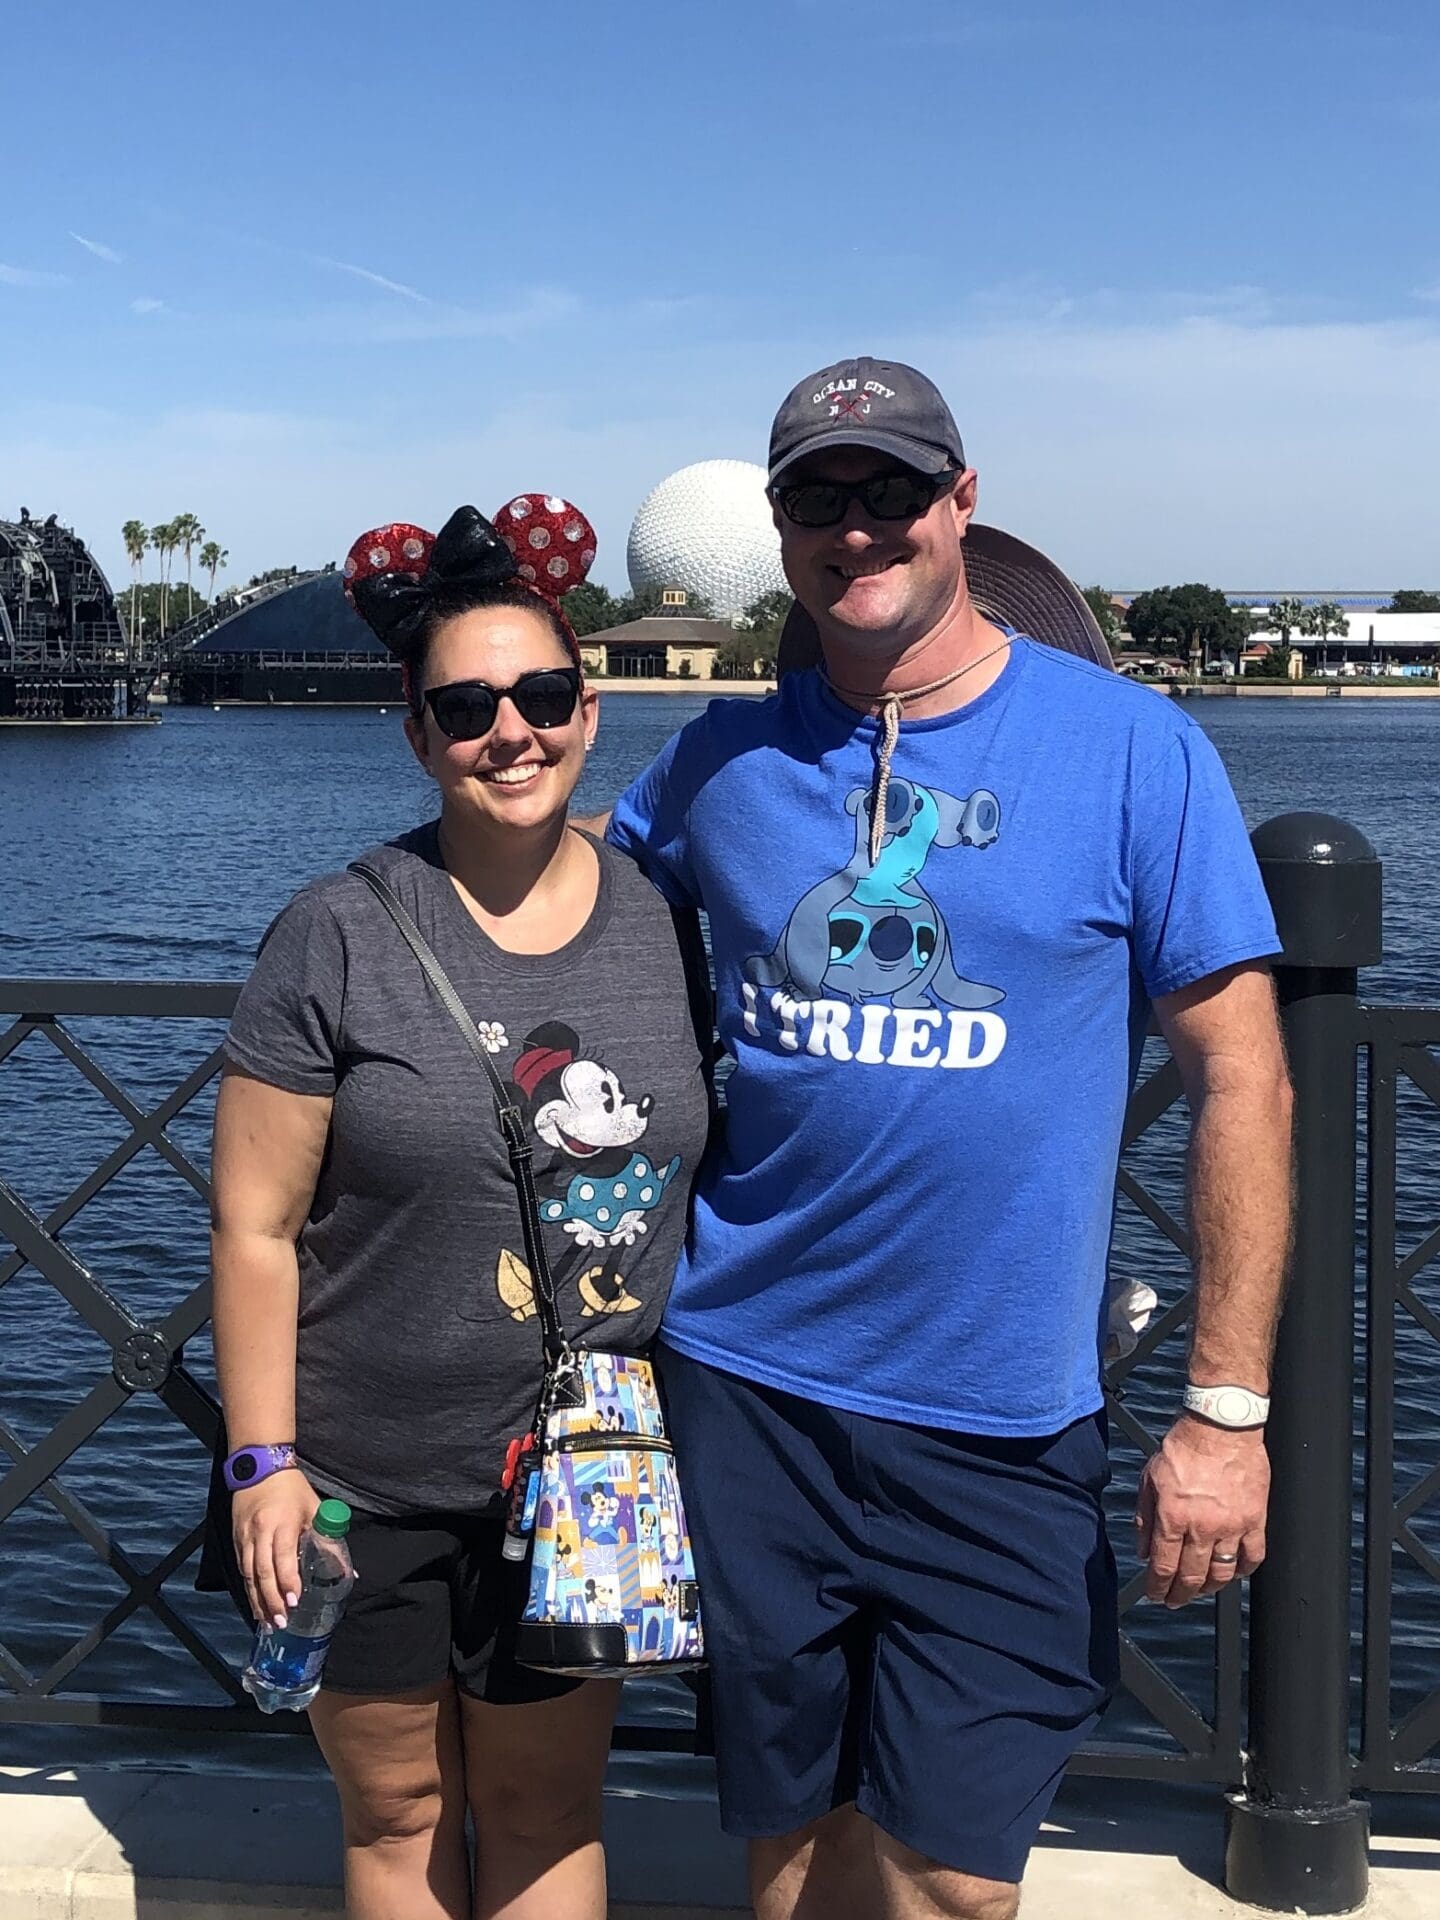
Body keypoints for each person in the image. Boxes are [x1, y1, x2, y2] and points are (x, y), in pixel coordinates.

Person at [604, 359, 1293, 1920]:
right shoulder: (714, 761)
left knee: (953, 1883)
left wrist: (1228, 1411)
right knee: (789, 1858)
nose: (859, 531)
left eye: (892, 491)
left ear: (961, 504)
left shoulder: (1135, 749)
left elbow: (1245, 1079)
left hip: (998, 1415)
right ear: (777, 531)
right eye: (817, 501)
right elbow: (567, 907)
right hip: (747, 1388)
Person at [207, 500, 711, 1920]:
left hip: (597, 1469)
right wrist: (262, 1459)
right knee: (397, 1812)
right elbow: (252, 1221)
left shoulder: (674, 918)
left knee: (549, 1814)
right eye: (469, 706)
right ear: (418, 735)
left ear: (589, 709)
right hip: (358, 1479)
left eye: (543, 696)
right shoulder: (339, 929)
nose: (513, 731)